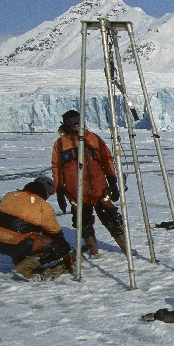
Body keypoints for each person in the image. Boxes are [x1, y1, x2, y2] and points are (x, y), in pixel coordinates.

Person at [51, 109, 129, 258]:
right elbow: (57, 167)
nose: (75, 124)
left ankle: (125, 248)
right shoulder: (60, 144)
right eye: (70, 121)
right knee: (83, 223)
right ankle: (94, 252)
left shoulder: (93, 139)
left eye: (77, 120)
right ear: (65, 124)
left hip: (99, 189)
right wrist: (60, 190)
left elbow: (107, 160)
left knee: (112, 218)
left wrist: (112, 182)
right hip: (76, 192)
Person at [0, 176, 73, 281]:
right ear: (46, 191)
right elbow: (55, 233)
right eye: (49, 194)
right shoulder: (42, 205)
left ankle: (19, 262)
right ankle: (24, 268)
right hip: (14, 244)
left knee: (19, 233)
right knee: (60, 246)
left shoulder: (10, 195)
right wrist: (64, 252)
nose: (48, 197)